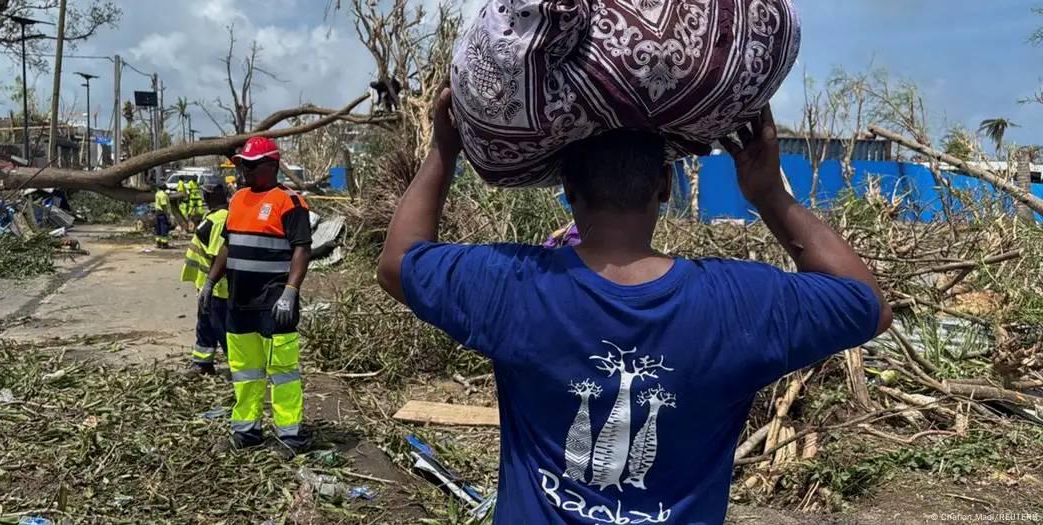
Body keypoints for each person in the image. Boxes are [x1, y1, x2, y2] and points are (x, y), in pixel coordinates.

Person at [376, 90, 893, 524]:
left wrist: (443, 149)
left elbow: (399, 263)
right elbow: (865, 302)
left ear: (567, 191)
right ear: (665, 187)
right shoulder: (739, 302)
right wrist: (769, 195)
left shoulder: (516, 285)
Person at [205, 137, 313, 452]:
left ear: (271, 166)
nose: (245, 171)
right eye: (243, 165)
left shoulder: (289, 202)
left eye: (252, 166)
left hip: (274, 300)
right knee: (245, 370)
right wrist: (211, 282)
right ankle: (247, 430)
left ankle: (290, 435)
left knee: (282, 370)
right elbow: (228, 245)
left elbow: (301, 249)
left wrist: (291, 291)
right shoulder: (237, 200)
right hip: (240, 302)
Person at [181, 182, 231, 375]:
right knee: (205, 325)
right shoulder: (213, 217)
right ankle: (203, 363)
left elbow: (218, 255)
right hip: (207, 286)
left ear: (209, 196)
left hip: (219, 288)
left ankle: (241, 369)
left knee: (222, 329)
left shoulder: (219, 221)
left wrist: (210, 283)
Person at [152, 184, 171, 249]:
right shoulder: (163, 195)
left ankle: (158, 243)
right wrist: (167, 215)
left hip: (157, 212)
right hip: (162, 213)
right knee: (164, 228)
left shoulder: (157, 194)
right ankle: (164, 244)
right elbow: (164, 205)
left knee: (158, 228)